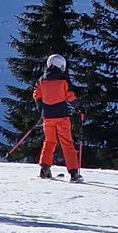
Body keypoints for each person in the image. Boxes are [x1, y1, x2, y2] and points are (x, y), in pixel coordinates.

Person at [35, 53, 82, 182]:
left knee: (49, 142)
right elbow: (70, 96)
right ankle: (73, 173)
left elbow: (36, 96)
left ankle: (44, 169)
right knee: (67, 143)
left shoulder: (41, 80)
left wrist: (42, 109)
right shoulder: (63, 80)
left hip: (47, 117)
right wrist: (79, 106)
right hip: (61, 116)